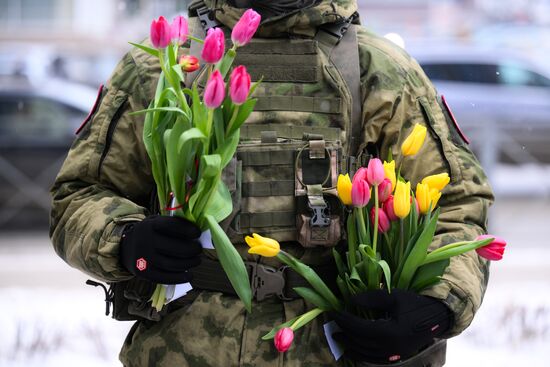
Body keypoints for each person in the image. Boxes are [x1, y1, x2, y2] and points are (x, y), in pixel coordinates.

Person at [50, 0, 494, 366]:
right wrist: (126, 240)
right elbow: (79, 195)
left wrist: (436, 306)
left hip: (340, 347)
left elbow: (458, 205)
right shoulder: (163, 64)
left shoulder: (375, 67)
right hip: (186, 349)